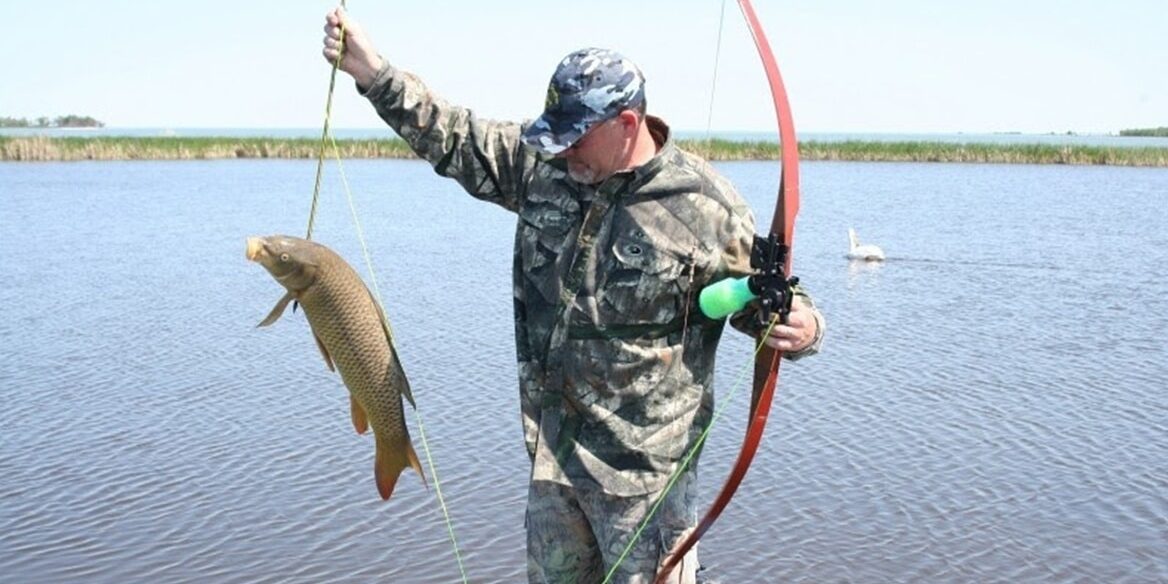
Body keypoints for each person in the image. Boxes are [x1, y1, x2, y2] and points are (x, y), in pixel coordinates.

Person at [322, 8, 824, 583]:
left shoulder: (704, 206)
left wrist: (803, 327)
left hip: (646, 487)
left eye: (576, 139)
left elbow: (768, 298)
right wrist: (371, 71)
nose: (563, 153)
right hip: (552, 464)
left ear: (628, 124)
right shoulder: (545, 168)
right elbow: (452, 135)